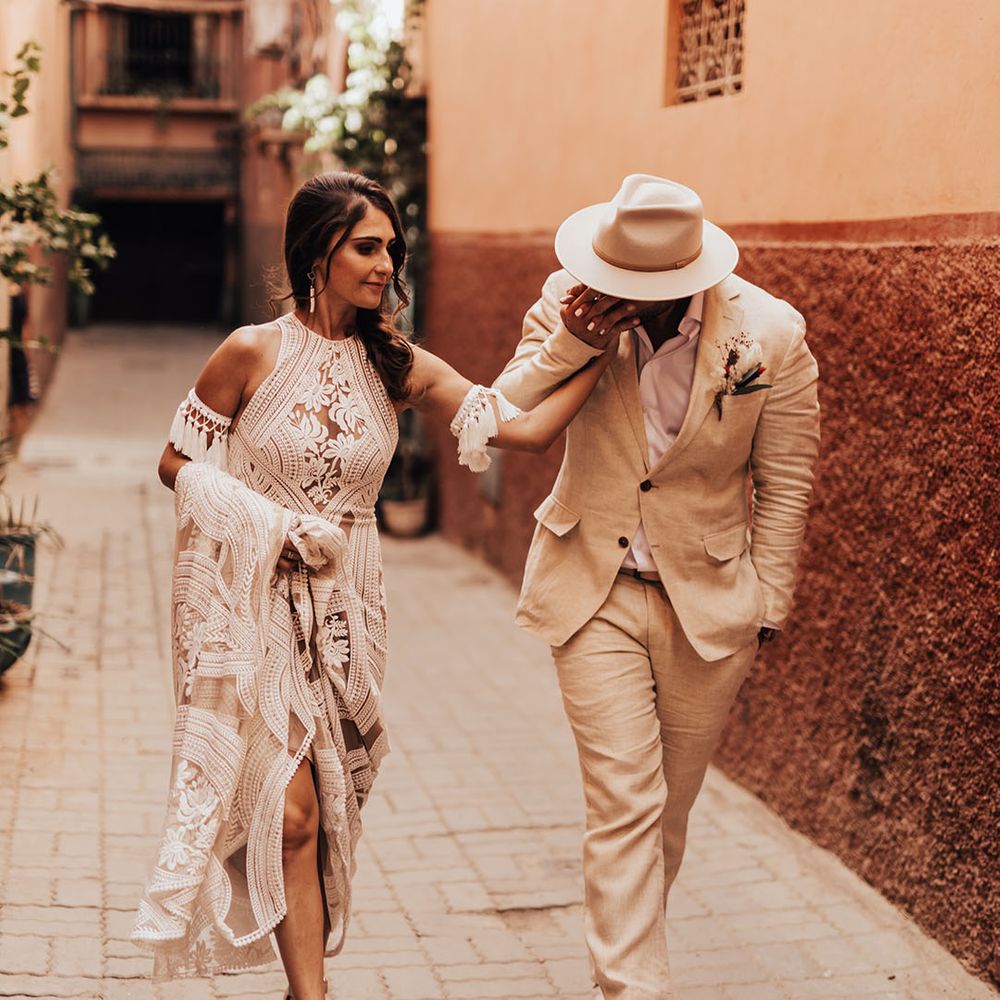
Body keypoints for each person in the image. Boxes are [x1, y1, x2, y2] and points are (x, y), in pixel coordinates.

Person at [130, 172, 639, 999]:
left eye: (392, 249)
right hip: (253, 599)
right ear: (316, 251)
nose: (385, 264)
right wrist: (267, 524)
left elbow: (529, 430)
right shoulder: (250, 351)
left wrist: (595, 347)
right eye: (367, 246)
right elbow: (174, 462)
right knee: (289, 811)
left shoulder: (395, 363)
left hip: (348, 614)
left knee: (329, 807)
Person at [493, 174, 821, 999]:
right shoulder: (566, 305)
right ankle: (632, 989)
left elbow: (786, 480)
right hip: (592, 589)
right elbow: (500, 415)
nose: (628, 300)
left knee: (664, 819)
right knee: (624, 806)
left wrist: (767, 603)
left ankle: (629, 960)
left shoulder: (771, 334)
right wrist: (575, 344)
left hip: (708, 605)